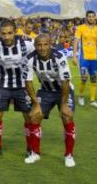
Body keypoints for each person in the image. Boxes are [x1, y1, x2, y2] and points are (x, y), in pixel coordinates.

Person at [23, 34, 76, 167]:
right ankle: (35, 153)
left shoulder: (59, 57)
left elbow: (65, 82)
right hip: (45, 91)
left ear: (50, 44)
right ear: (35, 46)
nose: (42, 48)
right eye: (39, 45)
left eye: (45, 44)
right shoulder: (30, 59)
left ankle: (69, 155)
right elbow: (28, 82)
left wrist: (63, 105)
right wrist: (35, 104)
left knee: (67, 116)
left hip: (63, 91)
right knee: (34, 116)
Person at [0, 20, 34, 157]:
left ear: (15, 32)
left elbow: (41, 52)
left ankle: (30, 148)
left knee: (29, 117)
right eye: (3, 34)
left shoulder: (26, 43)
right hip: (2, 86)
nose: (6, 37)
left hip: (22, 86)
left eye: (10, 33)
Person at [72, 10, 97, 107]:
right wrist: (74, 56)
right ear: (86, 17)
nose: (91, 18)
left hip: (94, 58)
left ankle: (92, 100)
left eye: (93, 16)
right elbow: (75, 42)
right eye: (89, 16)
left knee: (94, 78)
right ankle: (81, 96)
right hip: (84, 58)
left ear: (95, 18)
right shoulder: (80, 28)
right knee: (84, 78)